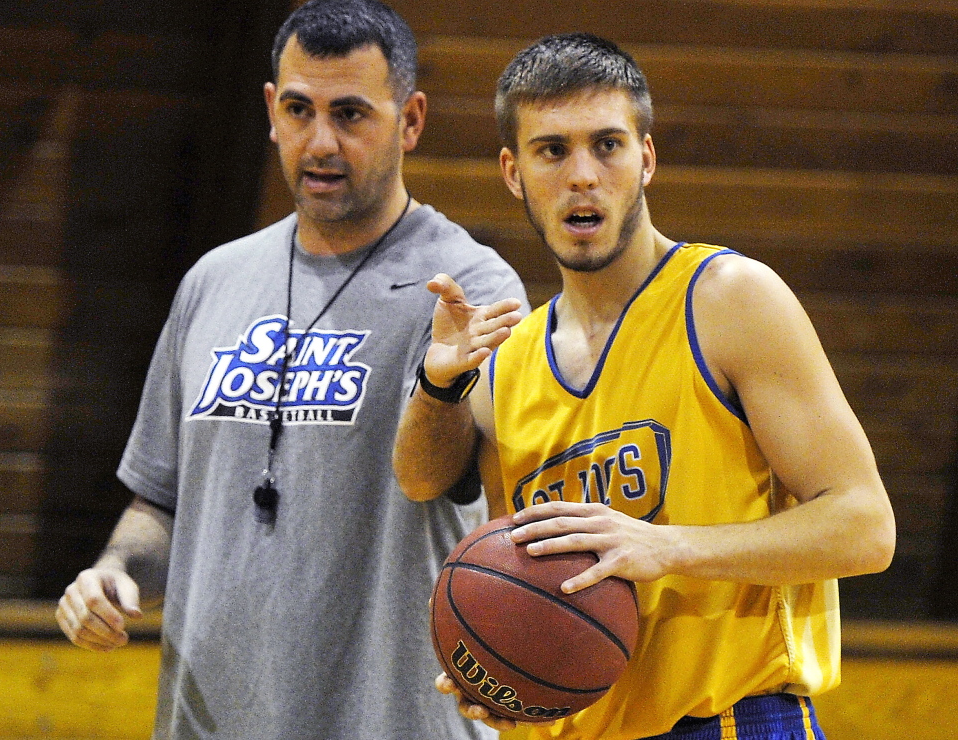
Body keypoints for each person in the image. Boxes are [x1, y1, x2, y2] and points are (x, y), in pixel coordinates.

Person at [393, 33, 895, 740]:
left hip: (730, 721)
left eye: (606, 145)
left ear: (645, 158)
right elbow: (419, 482)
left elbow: (865, 527)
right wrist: (504, 677)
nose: (582, 175)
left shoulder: (727, 299)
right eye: (551, 150)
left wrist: (668, 547)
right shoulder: (509, 364)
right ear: (513, 172)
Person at [54, 1, 527, 738]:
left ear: (410, 119)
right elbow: (164, 505)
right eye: (300, 110)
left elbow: (441, 481)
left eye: (350, 114)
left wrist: (440, 384)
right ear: (272, 110)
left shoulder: (470, 288)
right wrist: (113, 574)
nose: (320, 143)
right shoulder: (213, 281)